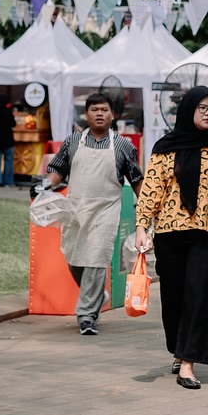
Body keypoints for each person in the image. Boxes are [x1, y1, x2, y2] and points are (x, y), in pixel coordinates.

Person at [134, 86, 208, 390]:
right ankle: (178, 348)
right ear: (188, 110)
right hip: (170, 233)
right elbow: (152, 189)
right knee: (173, 298)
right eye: (202, 108)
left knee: (200, 296)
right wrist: (141, 226)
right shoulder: (165, 147)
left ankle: (188, 362)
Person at [45, 92, 143, 336]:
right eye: (95, 110)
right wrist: (44, 186)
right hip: (76, 210)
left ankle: (87, 316)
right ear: (86, 115)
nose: (100, 114)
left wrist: (146, 210)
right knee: (73, 257)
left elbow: (136, 179)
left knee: (96, 259)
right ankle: (99, 296)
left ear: (112, 115)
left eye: (104, 110)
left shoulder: (123, 146)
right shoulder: (73, 142)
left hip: (106, 211)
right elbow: (57, 169)